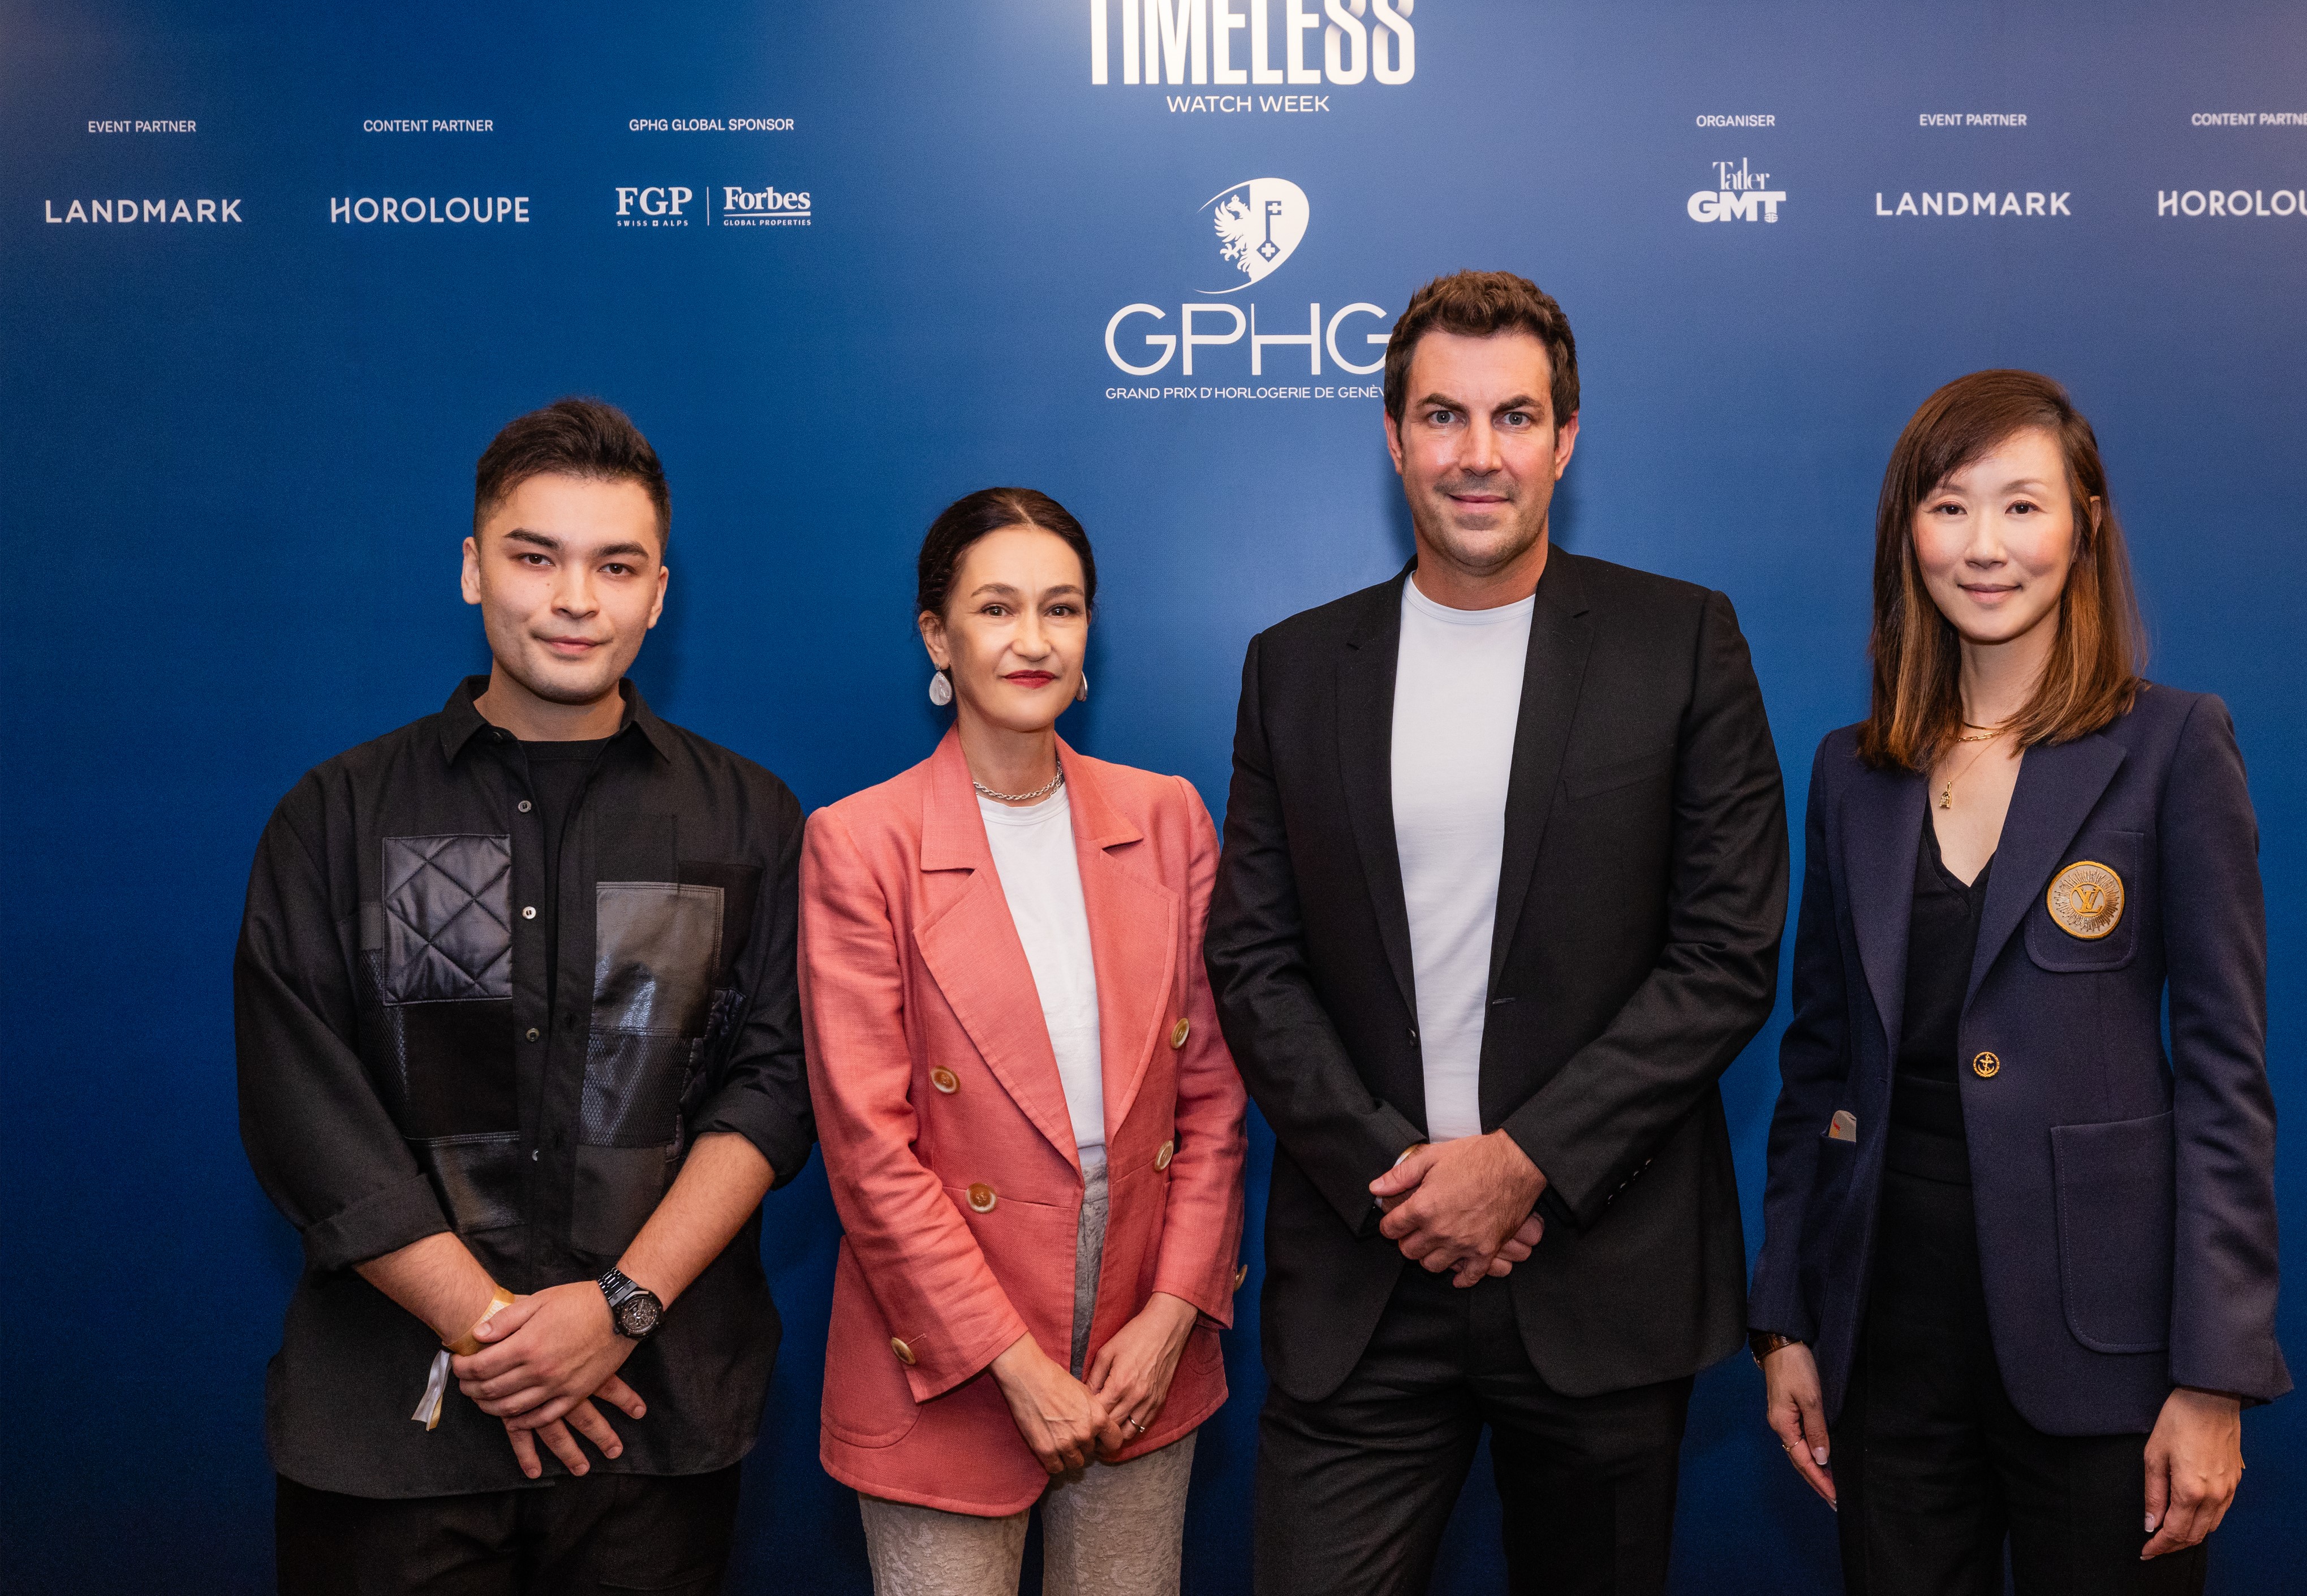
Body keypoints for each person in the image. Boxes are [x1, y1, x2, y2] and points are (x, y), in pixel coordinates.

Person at [1206, 270, 1790, 1595]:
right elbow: (1253, 959)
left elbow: (1726, 953)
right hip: (1369, 1274)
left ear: (1566, 438)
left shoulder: (1681, 643)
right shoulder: (1294, 668)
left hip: (1601, 1273)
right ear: (1394, 435)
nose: (1480, 456)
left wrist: (1524, 1162)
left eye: (1515, 417)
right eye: (1444, 417)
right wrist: (1408, 1182)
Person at [235, 398, 813, 1594]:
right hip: (390, 1429)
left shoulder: (750, 821)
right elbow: (304, 1105)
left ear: (661, 591)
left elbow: (777, 1084)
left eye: (616, 565)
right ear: (470, 568)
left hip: (652, 1425)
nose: (573, 599)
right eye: (534, 556)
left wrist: (617, 1309)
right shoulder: (334, 817)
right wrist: (495, 1332)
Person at [1751, 370, 2291, 1594]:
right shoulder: (1852, 773)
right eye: (1949, 508)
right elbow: (1819, 1062)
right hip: (1884, 1345)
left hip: (2111, 1354)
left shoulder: (2172, 748)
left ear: (2085, 525)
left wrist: (2215, 1374)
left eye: (2022, 507)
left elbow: (2225, 1083)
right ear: (1909, 536)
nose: (1984, 547)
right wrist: (1785, 1316)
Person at [798, 488, 1247, 1596]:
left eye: (1062, 608)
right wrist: (1013, 1365)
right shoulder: (862, 845)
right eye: (997, 609)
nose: (1034, 640)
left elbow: (1215, 1102)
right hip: (948, 1349)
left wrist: (1175, 1315)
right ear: (936, 636)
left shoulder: (1171, 818)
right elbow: (869, 1151)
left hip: (1144, 1332)